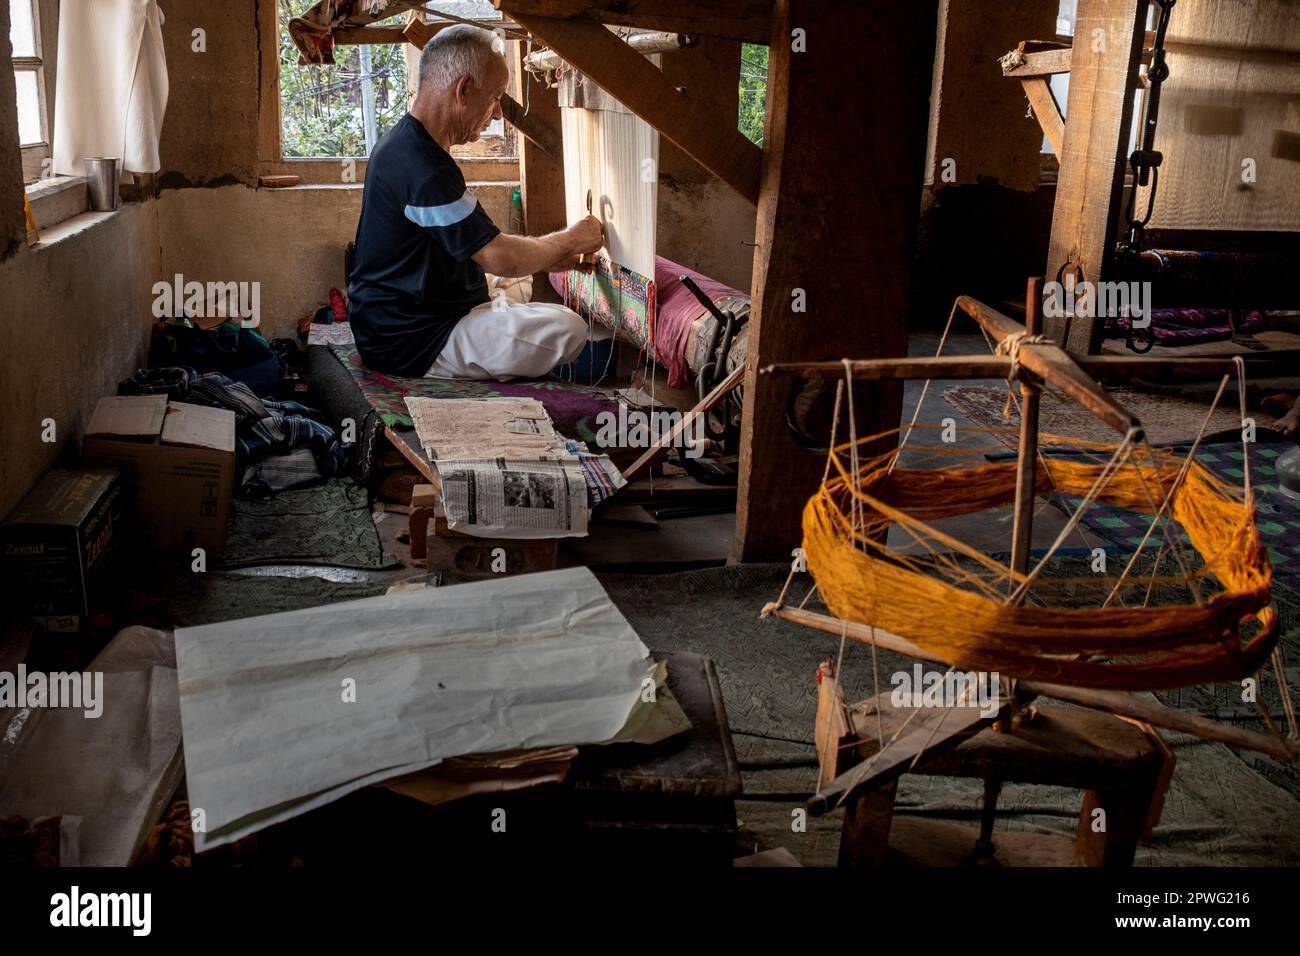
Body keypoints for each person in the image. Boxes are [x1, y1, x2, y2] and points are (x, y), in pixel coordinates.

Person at [346, 24, 606, 381]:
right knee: (568, 328)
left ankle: (494, 331)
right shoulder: (425, 168)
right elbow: (500, 256)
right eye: (496, 96)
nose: (498, 112)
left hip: (405, 314)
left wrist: (549, 256)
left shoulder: (405, 144)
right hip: (412, 338)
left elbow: (483, 249)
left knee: (518, 284)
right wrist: (572, 239)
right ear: (464, 90)